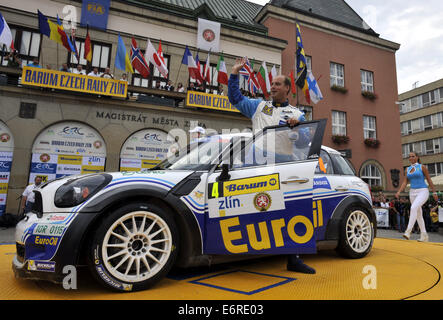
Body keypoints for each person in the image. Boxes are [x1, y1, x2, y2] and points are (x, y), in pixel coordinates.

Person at [228, 57, 314, 274]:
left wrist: (297, 128)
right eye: (272, 84)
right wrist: (234, 74)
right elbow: (235, 98)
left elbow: (304, 143)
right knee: (254, 206)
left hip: (285, 165)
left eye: (277, 84)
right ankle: (245, 253)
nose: (272, 87)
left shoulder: (297, 114)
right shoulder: (258, 106)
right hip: (257, 163)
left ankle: (293, 258)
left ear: (287, 88)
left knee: (290, 210)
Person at [395, 152, 439, 242]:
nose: (411, 158)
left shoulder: (422, 167)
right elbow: (404, 182)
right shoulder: (407, 169)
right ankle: (424, 235)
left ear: (417, 157)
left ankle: (408, 231)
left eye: (413, 156)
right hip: (412, 192)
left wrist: (434, 192)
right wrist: (399, 191)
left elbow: (429, 180)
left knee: (413, 207)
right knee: (418, 214)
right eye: (410, 157)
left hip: (423, 191)